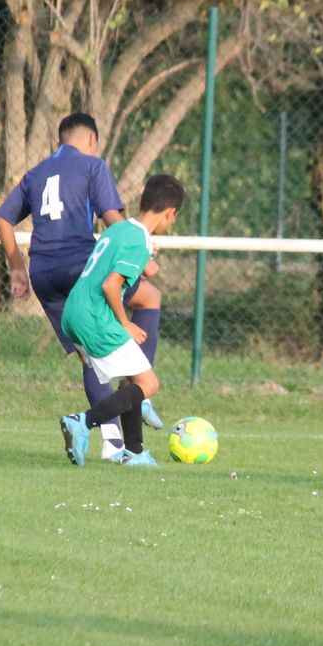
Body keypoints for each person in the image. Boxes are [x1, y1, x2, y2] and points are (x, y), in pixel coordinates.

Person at [0, 113, 163, 459]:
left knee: (90, 355)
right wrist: (142, 252)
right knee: (149, 297)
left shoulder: (36, 173)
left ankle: (113, 442)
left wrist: (16, 267)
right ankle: (138, 389)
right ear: (91, 140)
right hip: (79, 267)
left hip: (43, 273)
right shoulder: (92, 166)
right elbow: (112, 217)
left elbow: (3, 216)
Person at [59, 176, 186, 467]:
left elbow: (116, 267)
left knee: (133, 378)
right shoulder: (139, 240)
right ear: (170, 213)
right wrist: (124, 322)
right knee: (148, 383)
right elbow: (111, 285)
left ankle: (134, 452)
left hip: (74, 310)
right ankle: (82, 422)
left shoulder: (118, 229)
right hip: (95, 316)